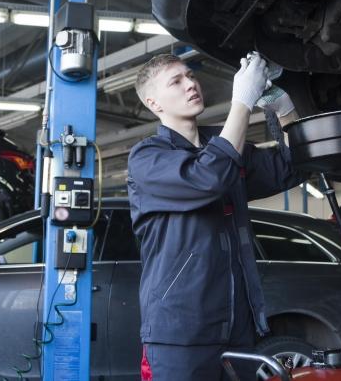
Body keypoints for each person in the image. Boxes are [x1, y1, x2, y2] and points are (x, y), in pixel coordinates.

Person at [127, 53, 304, 381]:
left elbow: (291, 167)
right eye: (175, 81)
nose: (191, 84)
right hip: (180, 335)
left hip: (239, 326)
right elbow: (209, 177)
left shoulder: (223, 148)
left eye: (190, 76)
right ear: (154, 103)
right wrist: (242, 101)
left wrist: (283, 109)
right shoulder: (147, 159)